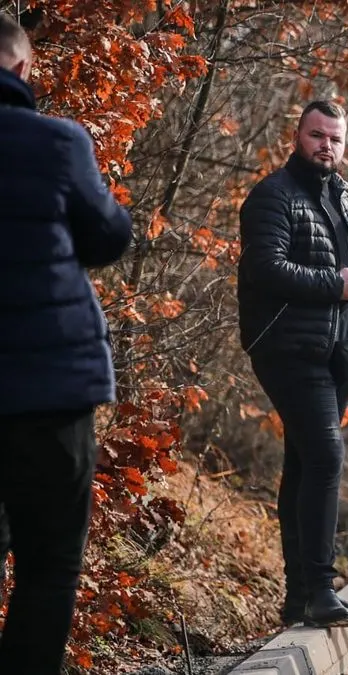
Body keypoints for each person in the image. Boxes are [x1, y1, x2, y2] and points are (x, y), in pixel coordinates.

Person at [0, 13, 135, 673]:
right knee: (49, 565)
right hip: (51, 391)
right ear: (22, 68)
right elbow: (108, 235)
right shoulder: (58, 143)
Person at [237, 99, 348, 628]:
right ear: (297, 137)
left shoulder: (341, 196)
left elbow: (346, 274)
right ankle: (320, 588)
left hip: (336, 352)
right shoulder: (272, 195)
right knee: (325, 457)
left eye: (336, 138)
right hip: (288, 349)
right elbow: (265, 268)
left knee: (302, 465)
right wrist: (335, 285)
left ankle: (300, 595)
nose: (327, 145)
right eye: (317, 135)